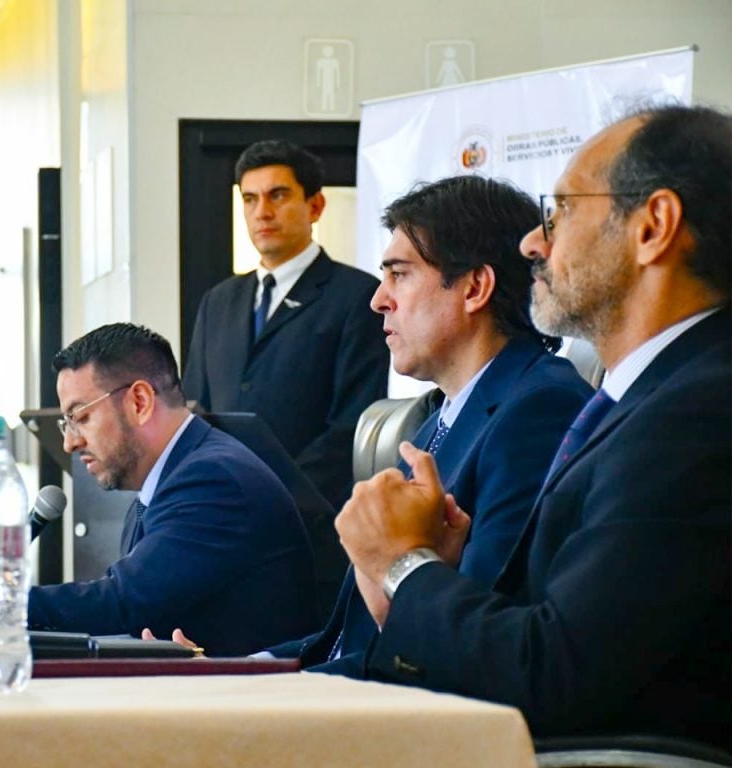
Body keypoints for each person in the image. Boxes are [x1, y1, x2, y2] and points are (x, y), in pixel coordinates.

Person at [334, 105, 731, 748]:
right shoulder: (652, 397)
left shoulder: (698, 412)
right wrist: (437, 571)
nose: (532, 244)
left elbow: (554, 674)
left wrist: (403, 567)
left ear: (653, 227)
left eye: (563, 210)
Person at [165, 176, 594, 676]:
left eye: (400, 275)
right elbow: (345, 640)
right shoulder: (437, 419)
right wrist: (237, 669)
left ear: (475, 287)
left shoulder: (538, 410)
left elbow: (465, 647)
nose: (378, 300)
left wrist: (262, 688)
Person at [0, 324, 317, 656]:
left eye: (79, 417)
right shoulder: (174, 474)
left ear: (139, 401)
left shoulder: (211, 479)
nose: (69, 441)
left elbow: (121, 602)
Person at [183, 139, 389, 512]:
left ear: (315, 206)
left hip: (313, 516)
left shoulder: (357, 296)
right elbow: (195, 409)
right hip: (224, 508)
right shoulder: (218, 302)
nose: (262, 212)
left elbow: (352, 425)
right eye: (250, 199)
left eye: (277, 195)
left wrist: (274, 492)